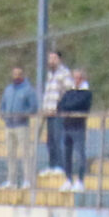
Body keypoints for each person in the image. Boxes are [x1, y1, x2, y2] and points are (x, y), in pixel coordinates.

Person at [0, 65, 38, 189]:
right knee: (11, 154)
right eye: (14, 74)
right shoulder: (8, 89)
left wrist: (23, 115)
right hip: (9, 125)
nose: (16, 76)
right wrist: (4, 115)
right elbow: (3, 104)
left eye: (18, 74)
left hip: (22, 125)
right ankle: (11, 180)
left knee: (25, 153)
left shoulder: (28, 90)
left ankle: (27, 179)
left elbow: (33, 107)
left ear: (22, 75)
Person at [40, 49, 74, 181]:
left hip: (58, 112)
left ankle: (60, 166)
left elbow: (68, 91)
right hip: (49, 112)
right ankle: (52, 164)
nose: (51, 61)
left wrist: (60, 106)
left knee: (58, 138)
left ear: (59, 59)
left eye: (54, 58)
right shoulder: (49, 74)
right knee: (50, 140)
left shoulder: (64, 73)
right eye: (50, 58)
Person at [57, 69, 93, 191]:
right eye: (75, 78)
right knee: (66, 154)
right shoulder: (69, 92)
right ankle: (68, 179)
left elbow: (77, 104)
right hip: (67, 126)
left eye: (79, 78)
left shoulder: (86, 93)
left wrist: (67, 107)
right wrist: (65, 107)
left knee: (79, 154)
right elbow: (61, 104)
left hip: (78, 126)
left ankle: (80, 180)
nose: (76, 80)